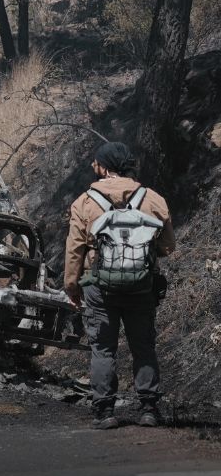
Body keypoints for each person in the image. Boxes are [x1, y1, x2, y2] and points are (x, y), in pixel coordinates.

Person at [64, 141, 175, 430]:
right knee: (143, 346)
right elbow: (167, 247)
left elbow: (74, 249)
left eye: (95, 163)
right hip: (142, 287)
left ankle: (105, 412)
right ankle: (149, 409)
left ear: (103, 167)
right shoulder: (153, 199)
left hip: (99, 288)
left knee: (103, 349)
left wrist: (72, 286)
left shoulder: (84, 202)